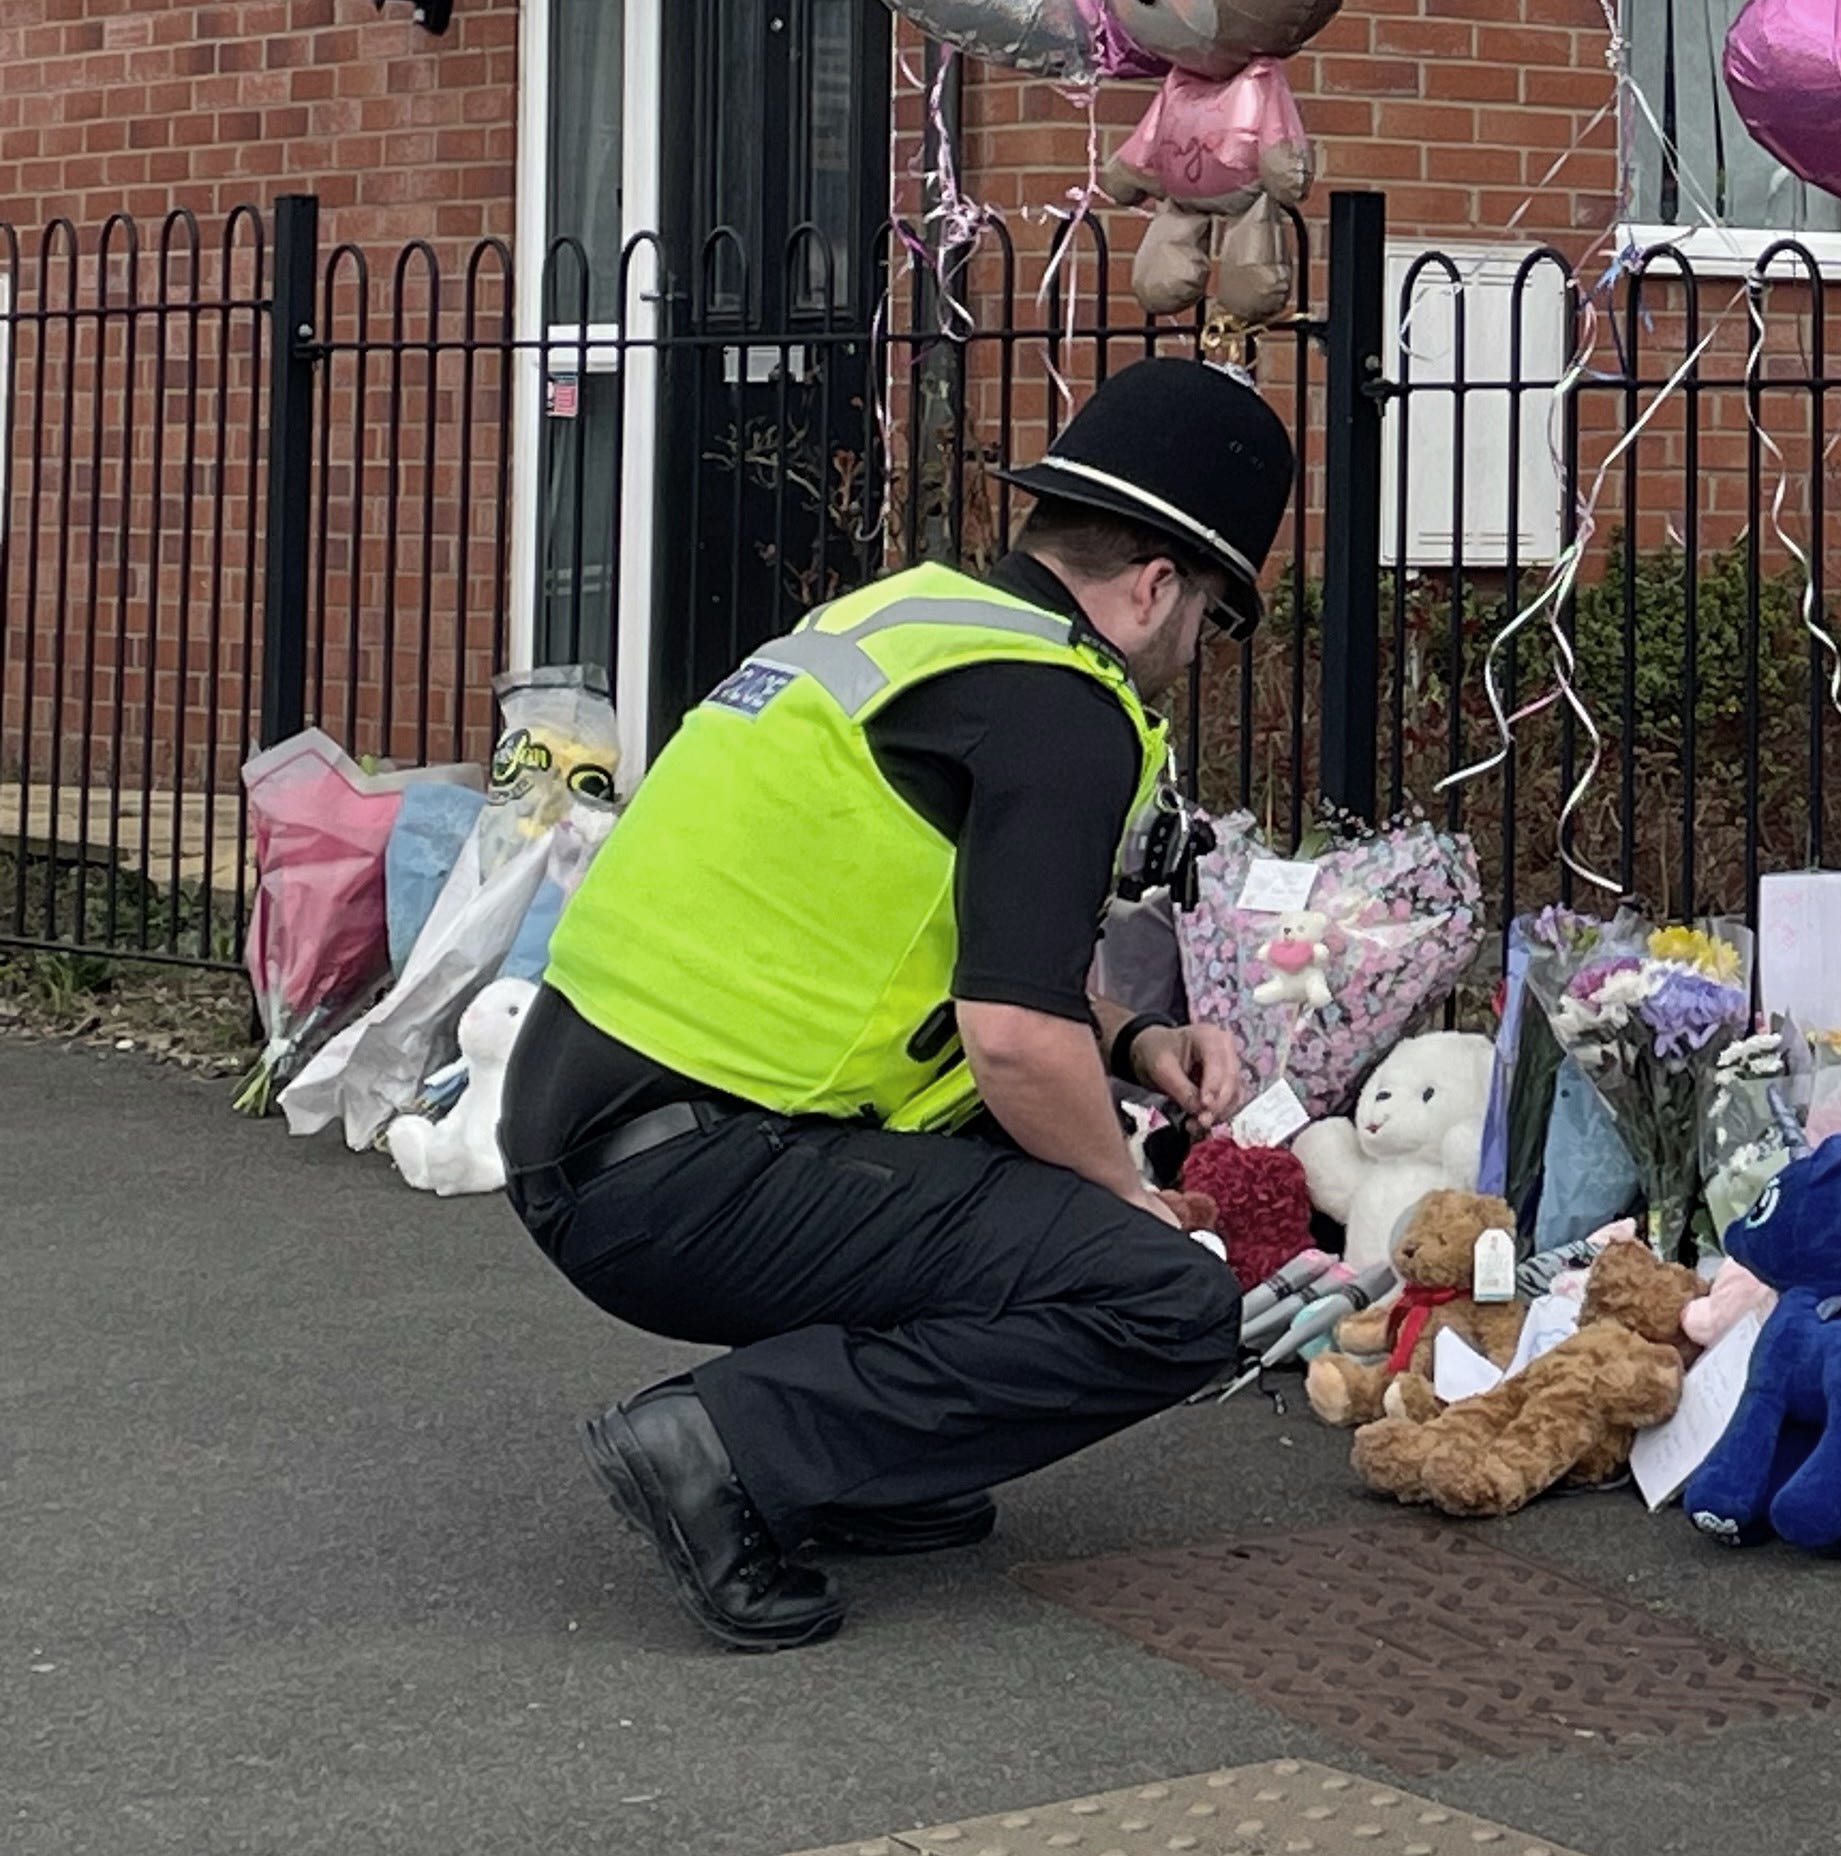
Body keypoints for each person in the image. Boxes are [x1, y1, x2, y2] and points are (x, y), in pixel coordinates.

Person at [502, 359, 1293, 1651]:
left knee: (1029, 1173)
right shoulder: (1066, 716)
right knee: (1166, 1297)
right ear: (1156, 585)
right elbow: (1011, 1042)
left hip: (599, 1126)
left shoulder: (921, 623)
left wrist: (1139, 1039)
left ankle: (857, 1464)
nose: (1195, 651)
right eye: (1211, 616)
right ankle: (728, 1449)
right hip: (689, 1168)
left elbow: (953, 948)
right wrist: (1138, 1202)